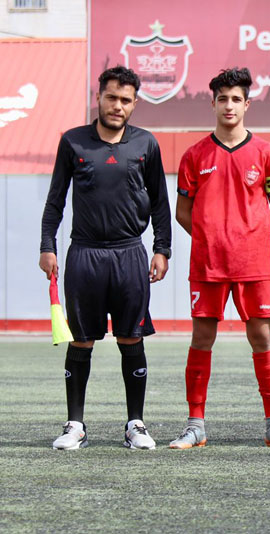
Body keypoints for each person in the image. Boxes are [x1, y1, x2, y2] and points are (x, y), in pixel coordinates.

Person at [39, 66, 172, 450]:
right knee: (81, 341)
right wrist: (47, 245)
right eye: (111, 97)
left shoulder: (145, 144)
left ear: (134, 104)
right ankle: (75, 425)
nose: (118, 105)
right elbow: (55, 201)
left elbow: (160, 204)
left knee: (131, 337)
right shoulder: (73, 142)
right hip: (85, 255)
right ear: (98, 97)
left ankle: (135, 425)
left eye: (126, 100)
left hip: (130, 254)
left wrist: (162, 249)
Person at [169, 68, 270, 449]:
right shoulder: (194, 156)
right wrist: (211, 238)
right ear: (212, 103)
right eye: (222, 98)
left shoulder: (266, 154)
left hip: (253, 265)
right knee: (202, 336)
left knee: (261, 336)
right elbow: (182, 212)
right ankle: (195, 425)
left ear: (247, 105)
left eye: (236, 99)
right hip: (207, 265)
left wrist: (249, 238)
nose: (229, 105)